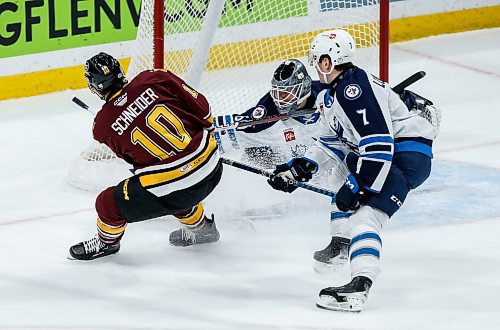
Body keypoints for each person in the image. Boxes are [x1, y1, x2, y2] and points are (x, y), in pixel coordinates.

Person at [267, 29, 439, 312]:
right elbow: (330, 144)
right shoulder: (333, 95)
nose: (314, 66)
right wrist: (294, 172)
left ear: (327, 61)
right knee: (343, 176)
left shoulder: (353, 89)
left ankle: (359, 287)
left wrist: (362, 184)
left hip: (406, 155)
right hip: (391, 153)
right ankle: (341, 244)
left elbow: (380, 143)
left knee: (366, 217)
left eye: (316, 60)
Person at [69, 52, 222, 260]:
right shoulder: (153, 78)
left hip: (178, 190)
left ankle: (107, 244)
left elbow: (137, 162)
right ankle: (202, 229)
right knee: (167, 186)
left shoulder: (102, 127)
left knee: (107, 203)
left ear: (95, 87)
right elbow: (202, 109)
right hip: (212, 164)